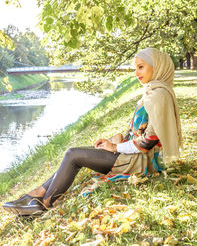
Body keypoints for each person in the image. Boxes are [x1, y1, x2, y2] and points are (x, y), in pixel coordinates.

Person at [3, 48, 182, 216]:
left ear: (157, 66)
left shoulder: (159, 95)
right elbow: (138, 132)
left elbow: (147, 142)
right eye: (136, 68)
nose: (137, 73)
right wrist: (113, 144)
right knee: (75, 155)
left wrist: (115, 147)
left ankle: (43, 203)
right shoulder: (152, 91)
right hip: (133, 156)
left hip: (139, 162)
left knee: (73, 155)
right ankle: (37, 195)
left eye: (141, 67)